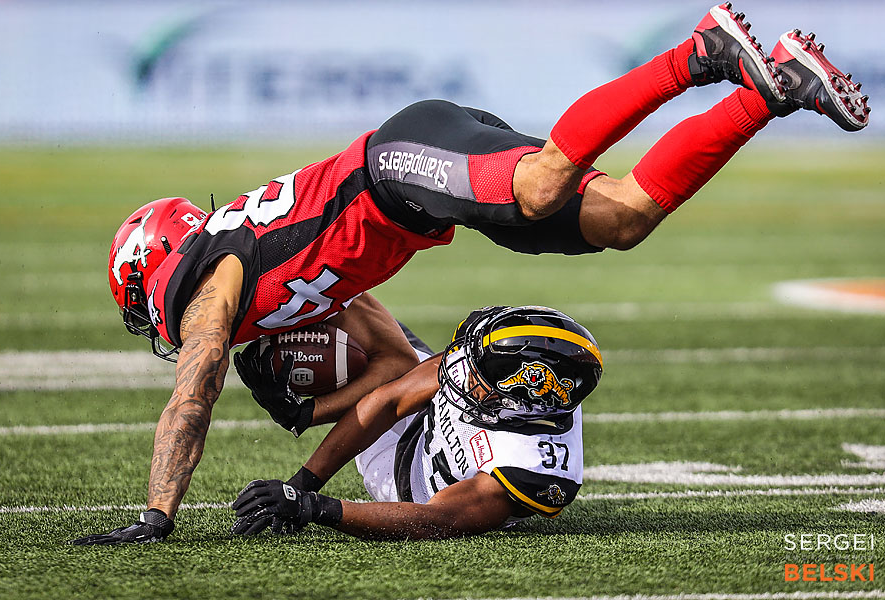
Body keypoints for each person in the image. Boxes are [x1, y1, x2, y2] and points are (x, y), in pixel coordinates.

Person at [72, 4, 868, 544]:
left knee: (544, 183)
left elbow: (194, 387)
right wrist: (305, 465)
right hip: (425, 193)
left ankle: (698, 53)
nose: (160, 327)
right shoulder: (273, 285)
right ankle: (774, 92)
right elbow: (394, 370)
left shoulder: (204, 286)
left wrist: (156, 513)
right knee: (621, 220)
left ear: (152, 269)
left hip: (397, 167)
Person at [231, 306, 603, 539]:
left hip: (405, 477)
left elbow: (433, 520)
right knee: (349, 309)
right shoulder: (490, 366)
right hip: (424, 427)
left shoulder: (533, 468)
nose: (463, 375)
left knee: (353, 359)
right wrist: (302, 479)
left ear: (525, 402)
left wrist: (313, 506)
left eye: (480, 380)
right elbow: (390, 400)